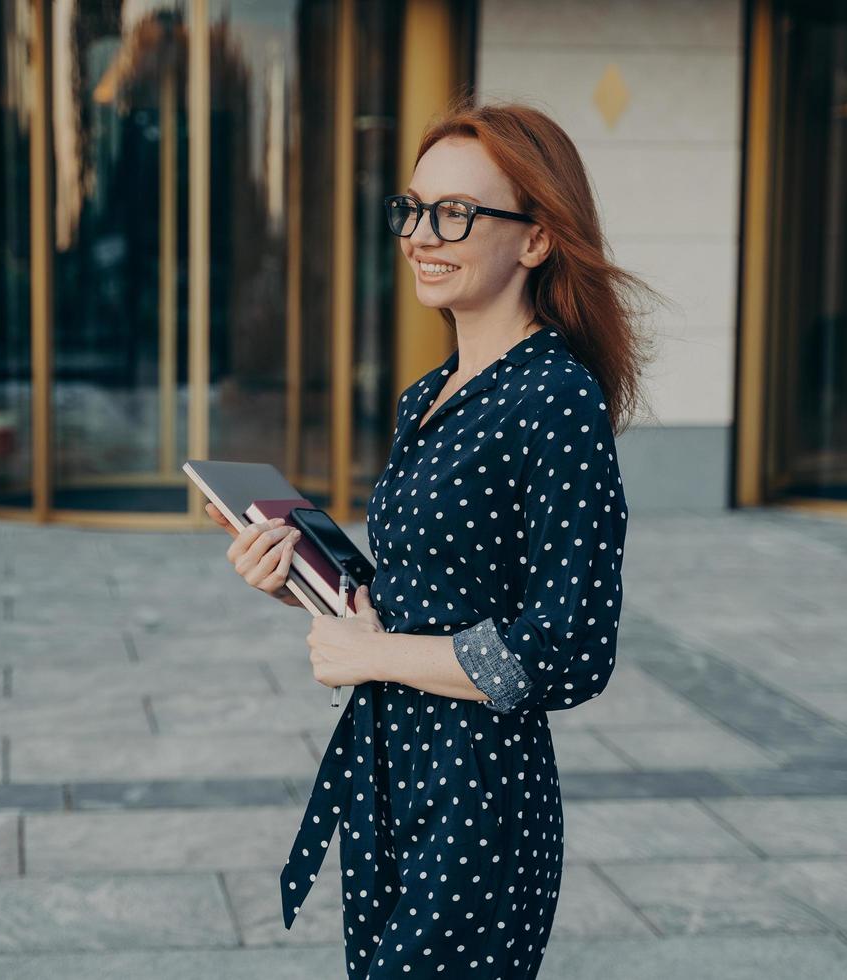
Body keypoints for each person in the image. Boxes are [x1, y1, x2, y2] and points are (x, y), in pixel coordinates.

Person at [205, 99, 653, 980]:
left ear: (534, 239)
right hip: (390, 770)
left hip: (478, 792)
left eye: (455, 213)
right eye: (412, 209)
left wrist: (372, 657)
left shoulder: (553, 399)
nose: (420, 234)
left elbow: (567, 651)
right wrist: (305, 580)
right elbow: (421, 594)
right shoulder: (431, 393)